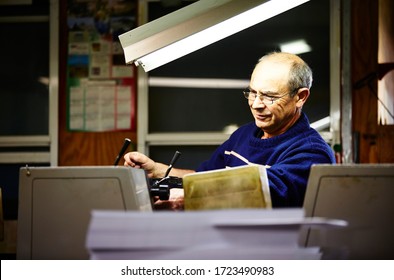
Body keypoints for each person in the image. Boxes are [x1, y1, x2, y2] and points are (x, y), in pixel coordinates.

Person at [124, 51, 336, 209]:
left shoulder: (311, 153)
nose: (256, 104)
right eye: (253, 93)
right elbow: (205, 177)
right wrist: (158, 170)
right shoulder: (242, 136)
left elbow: (260, 192)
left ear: (300, 97)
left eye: (270, 97)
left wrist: (190, 198)